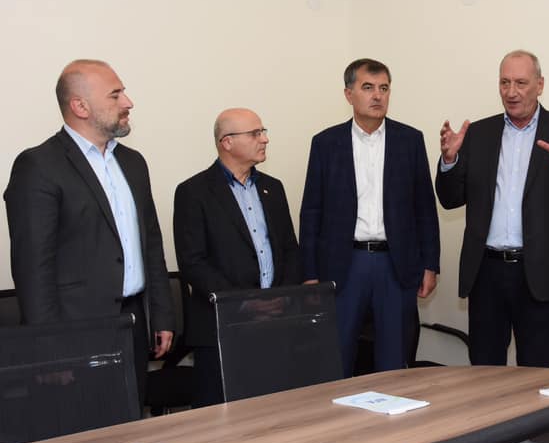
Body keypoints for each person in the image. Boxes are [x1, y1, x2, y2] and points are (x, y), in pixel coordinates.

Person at [4, 59, 175, 406]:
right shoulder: (39, 165)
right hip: (75, 331)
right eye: (115, 95)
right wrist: (50, 347)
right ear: (80, 106)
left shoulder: (133, 162)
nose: (128, 102)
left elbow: (151, 245)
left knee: (131, 424)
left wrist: (161, 316)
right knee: (82, 430)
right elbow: (33, 267)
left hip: (133, 324)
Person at [436, 49, 549, 367]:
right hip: (486, 274)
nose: (511, 92)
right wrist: (449, 161)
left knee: (538, 373)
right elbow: (450, 199)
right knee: (484, 372)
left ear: (540, 85)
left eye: (521, 83)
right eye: (505, 82)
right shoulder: (478, 134)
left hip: (539, 274)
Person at [300, 58, 440, 377]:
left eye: (384, 88)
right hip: (344, 263)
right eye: (368, 87)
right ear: (349, 94)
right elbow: (311, 212)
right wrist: (309, 273)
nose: (377, 95)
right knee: (336, 358)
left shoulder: (410, 140)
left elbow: (424, 209)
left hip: (395, 264)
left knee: (394, 359)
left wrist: (430, 264)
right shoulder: (326, 143)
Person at [173, 108, 302, 407]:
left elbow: (289, 250)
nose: (265, 139)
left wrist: (282, 297)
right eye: (255, 133)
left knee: (275, 412)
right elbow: (193, 262)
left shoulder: (273, 188)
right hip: (222, 327)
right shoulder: (193, 192)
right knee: (223, 418)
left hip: (276, 323)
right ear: (227, 142)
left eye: (263, 132)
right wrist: (245, 301)